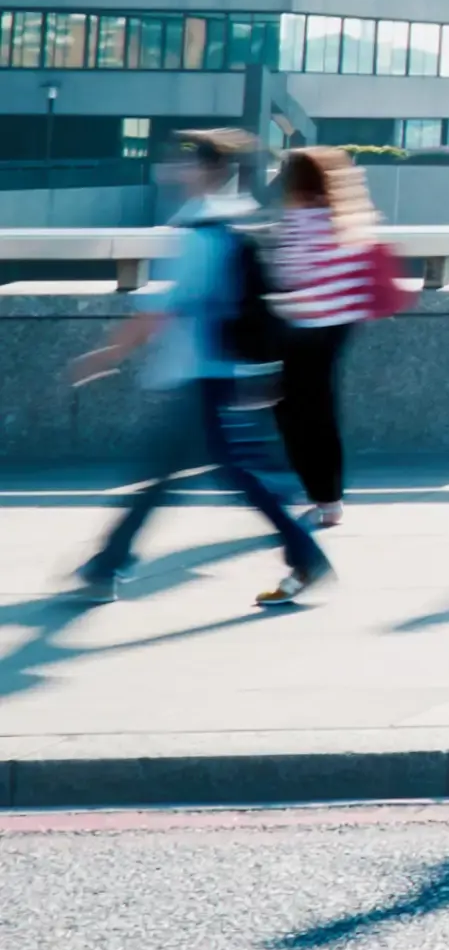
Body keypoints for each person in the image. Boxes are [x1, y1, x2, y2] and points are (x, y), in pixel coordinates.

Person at [68, 129, 332, 606]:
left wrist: (107, 353)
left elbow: (166, 308)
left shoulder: (200, 233)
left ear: (207, 171)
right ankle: (109, 561)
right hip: (214, 370)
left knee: (229, 473)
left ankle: (304, 553)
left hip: (200, 373)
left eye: (186, 161)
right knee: (182, 471)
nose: (175, 168)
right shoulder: (228, 223)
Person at [263, 144, 385, 530]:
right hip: (340, 326)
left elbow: (287, 276)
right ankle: (329, 498)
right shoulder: (347, 218)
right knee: (322, 412)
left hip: (304, 329)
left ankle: (317, 494)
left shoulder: (300, 221)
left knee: (293, 413)